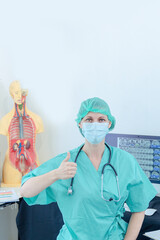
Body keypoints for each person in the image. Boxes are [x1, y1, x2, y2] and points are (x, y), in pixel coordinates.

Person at [20, 97, 157, 240]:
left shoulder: (125, 161)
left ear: (109, 123)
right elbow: (26, 191)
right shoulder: (65, 161)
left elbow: (139, 208)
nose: (95, 124)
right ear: (80, 123)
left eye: (101, 120)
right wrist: (55, 174)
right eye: (89, 119)